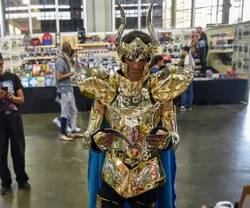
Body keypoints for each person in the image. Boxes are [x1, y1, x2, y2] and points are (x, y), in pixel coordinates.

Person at [77, 1, 194, 207]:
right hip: (113, 170)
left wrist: (166, 139)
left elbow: (173, 137)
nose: (136, 65)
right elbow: (88, 137)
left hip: (147, 172)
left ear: (149, 58)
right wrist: (97, 139)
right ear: (123, 57)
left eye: (142, 59)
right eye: (131, 58)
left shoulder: (160, 89)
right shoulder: (107, 87)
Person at [0, 50, 30, 195]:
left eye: (1, 64)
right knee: (1, 153)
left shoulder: (13, 77)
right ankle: (5, 183)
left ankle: (22, 179)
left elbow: (22, 99)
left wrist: (12, 97)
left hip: (14, 119)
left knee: (19, 151)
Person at [55, 42, 83, 141]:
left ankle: (73, 131)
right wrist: (71, 73)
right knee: (65, 112)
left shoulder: (66, 60)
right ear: (69, 50)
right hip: (63, 91)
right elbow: (59, 77)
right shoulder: (61, 61)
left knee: (74, 111)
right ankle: (62, 133)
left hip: (68, 89)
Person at [180, 46, 195, 111]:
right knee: (190, 91)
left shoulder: (186, 58)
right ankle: (189, 105)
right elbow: (194, 66)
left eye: (183, 51)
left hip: (186, 76)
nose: (182, 52)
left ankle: (183, 105)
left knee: (184, 91)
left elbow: (185, 68)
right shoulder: (191, 58)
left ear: (186, 51)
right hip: (191, 76)